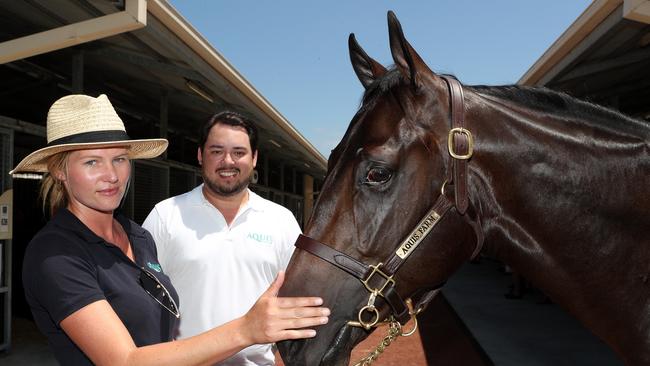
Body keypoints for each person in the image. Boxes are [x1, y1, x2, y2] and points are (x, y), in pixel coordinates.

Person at [14, 94, 329, 366]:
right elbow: (124, 361)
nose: (111, 175)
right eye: (92, 162)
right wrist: (247, 329)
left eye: (120, 159)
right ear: (60, 170)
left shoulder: (137, 236)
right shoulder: (55, 254)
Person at [142, 111, 300, 365]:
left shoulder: (282, 220)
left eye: (239, 152)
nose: (228, 161)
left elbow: (296, 300)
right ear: (200, 155)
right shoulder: (165, 216)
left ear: (255, 158)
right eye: (216, 151)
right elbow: (141, 296)